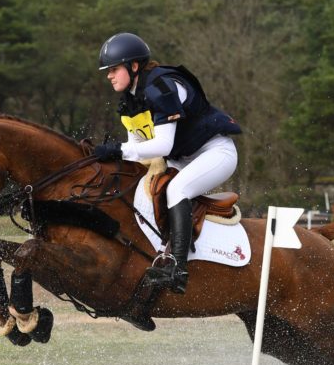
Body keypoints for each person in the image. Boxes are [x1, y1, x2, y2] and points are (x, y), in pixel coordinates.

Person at [94, 32, 242, 294]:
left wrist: (117, 150)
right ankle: (155, 255)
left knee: (177, 190)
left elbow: (162, 146)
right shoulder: (130, 100)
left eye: (114, 69)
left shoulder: (161, 87)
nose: (109, 75)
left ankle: (178, 269)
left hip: (215, 153)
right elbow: (138, 149)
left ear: (134, 66)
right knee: (143, 193)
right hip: (184, 158)